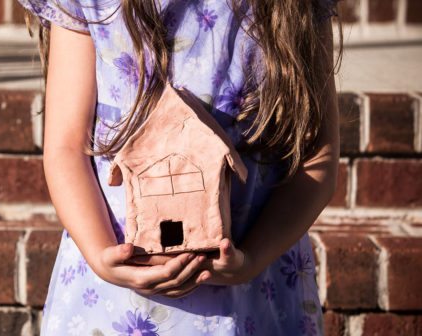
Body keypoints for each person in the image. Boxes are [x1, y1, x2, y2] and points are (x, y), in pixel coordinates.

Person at [17, 0, 342, 334]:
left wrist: (252, 260)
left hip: (252, 290)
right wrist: (101, 255)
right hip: (115, 291)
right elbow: (67, 147)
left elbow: (316, 159)